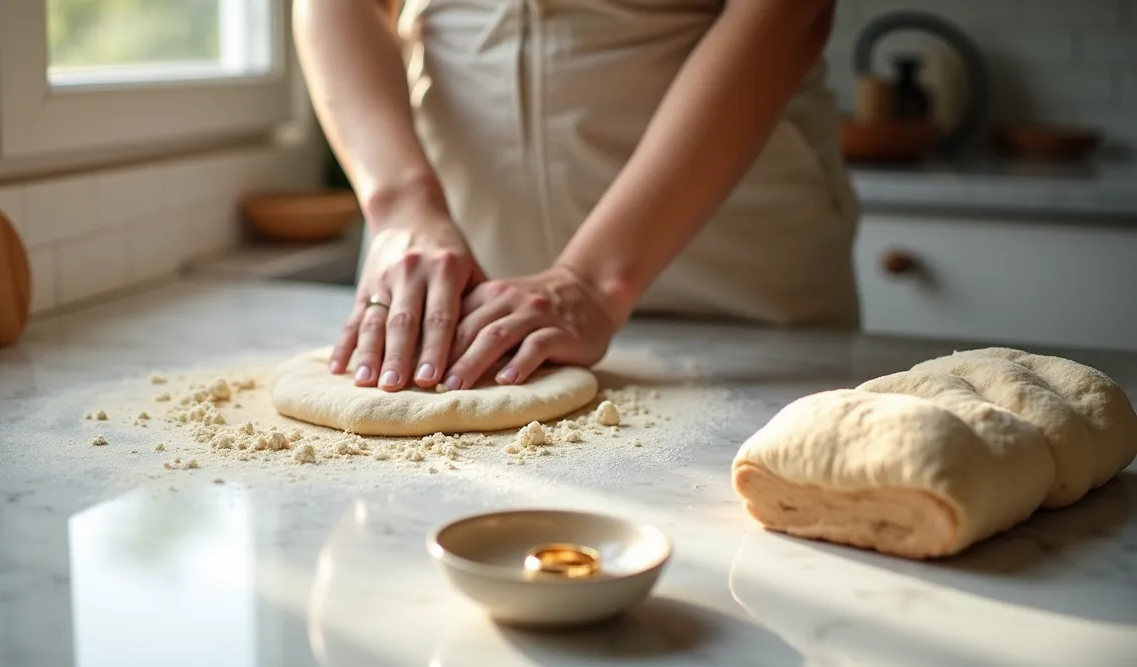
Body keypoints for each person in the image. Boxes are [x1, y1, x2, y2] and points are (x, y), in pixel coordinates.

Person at [293, 0, 859, 393]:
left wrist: (595, 279)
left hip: (733, 268)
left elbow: (786, 14)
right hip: (474, 282)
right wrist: (402, 207)